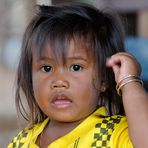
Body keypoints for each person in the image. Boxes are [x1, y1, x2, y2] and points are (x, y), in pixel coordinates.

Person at [8, 2, 148, 148]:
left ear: (104, 79)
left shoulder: (113, 133)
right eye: (47, 68)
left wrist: (130, 82)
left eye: (75, 67)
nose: (59, 81)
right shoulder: (21, 141)